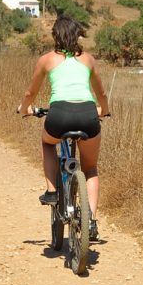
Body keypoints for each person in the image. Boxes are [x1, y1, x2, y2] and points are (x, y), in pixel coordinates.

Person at [17, 13, 110, 241]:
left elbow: (31, 92)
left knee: (48, 143)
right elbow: (102, 93)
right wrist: (104, 110)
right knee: (90, 169)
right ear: (78, 34)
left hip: (58, 115)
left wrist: (24, 109)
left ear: (55, 36)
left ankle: (51, 191)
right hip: (88, 115)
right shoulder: (88, 59)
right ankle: (91, 222)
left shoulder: (46, 59)